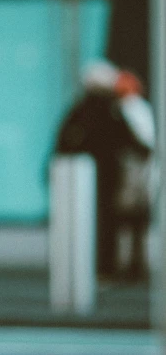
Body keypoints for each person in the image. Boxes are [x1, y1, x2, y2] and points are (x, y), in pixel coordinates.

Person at [55, 61, 155, 279]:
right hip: (103, 175)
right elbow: (129, 139)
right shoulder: (109, 110)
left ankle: (101, 267)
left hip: (95, 176)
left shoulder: (85, 110)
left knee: (102, 222)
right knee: (107, 222)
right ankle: (106, 267)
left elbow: (65, 141)